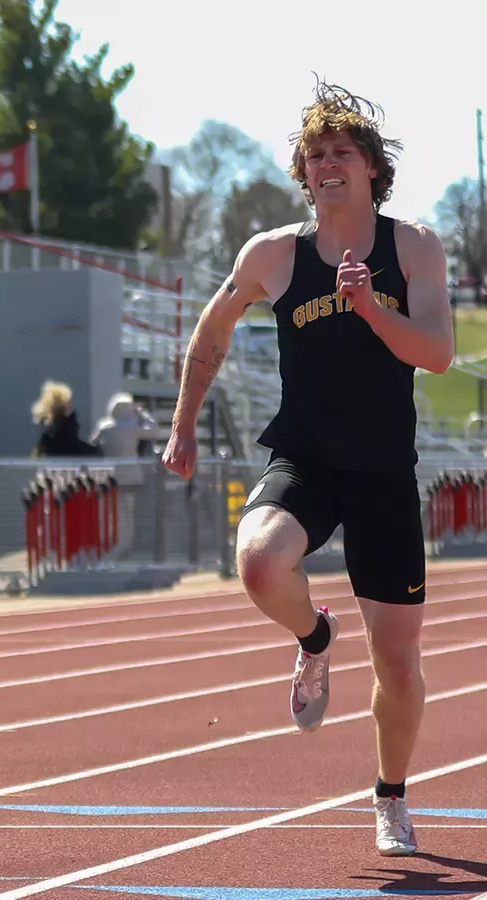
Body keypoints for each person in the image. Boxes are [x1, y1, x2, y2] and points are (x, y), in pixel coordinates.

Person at [162, 80, 451, 858]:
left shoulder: (414, 246)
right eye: (314, 154)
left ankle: (390, 795)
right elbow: (211, 331)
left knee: (398, 661)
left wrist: (371, 308)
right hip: (308, 459)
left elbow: (439, 354)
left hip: (385, 470)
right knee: (257, 562)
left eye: (341, 153)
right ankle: (315, 637)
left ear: (371, 169)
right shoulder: (273, 254)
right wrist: (184, 424)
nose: (327, 164)